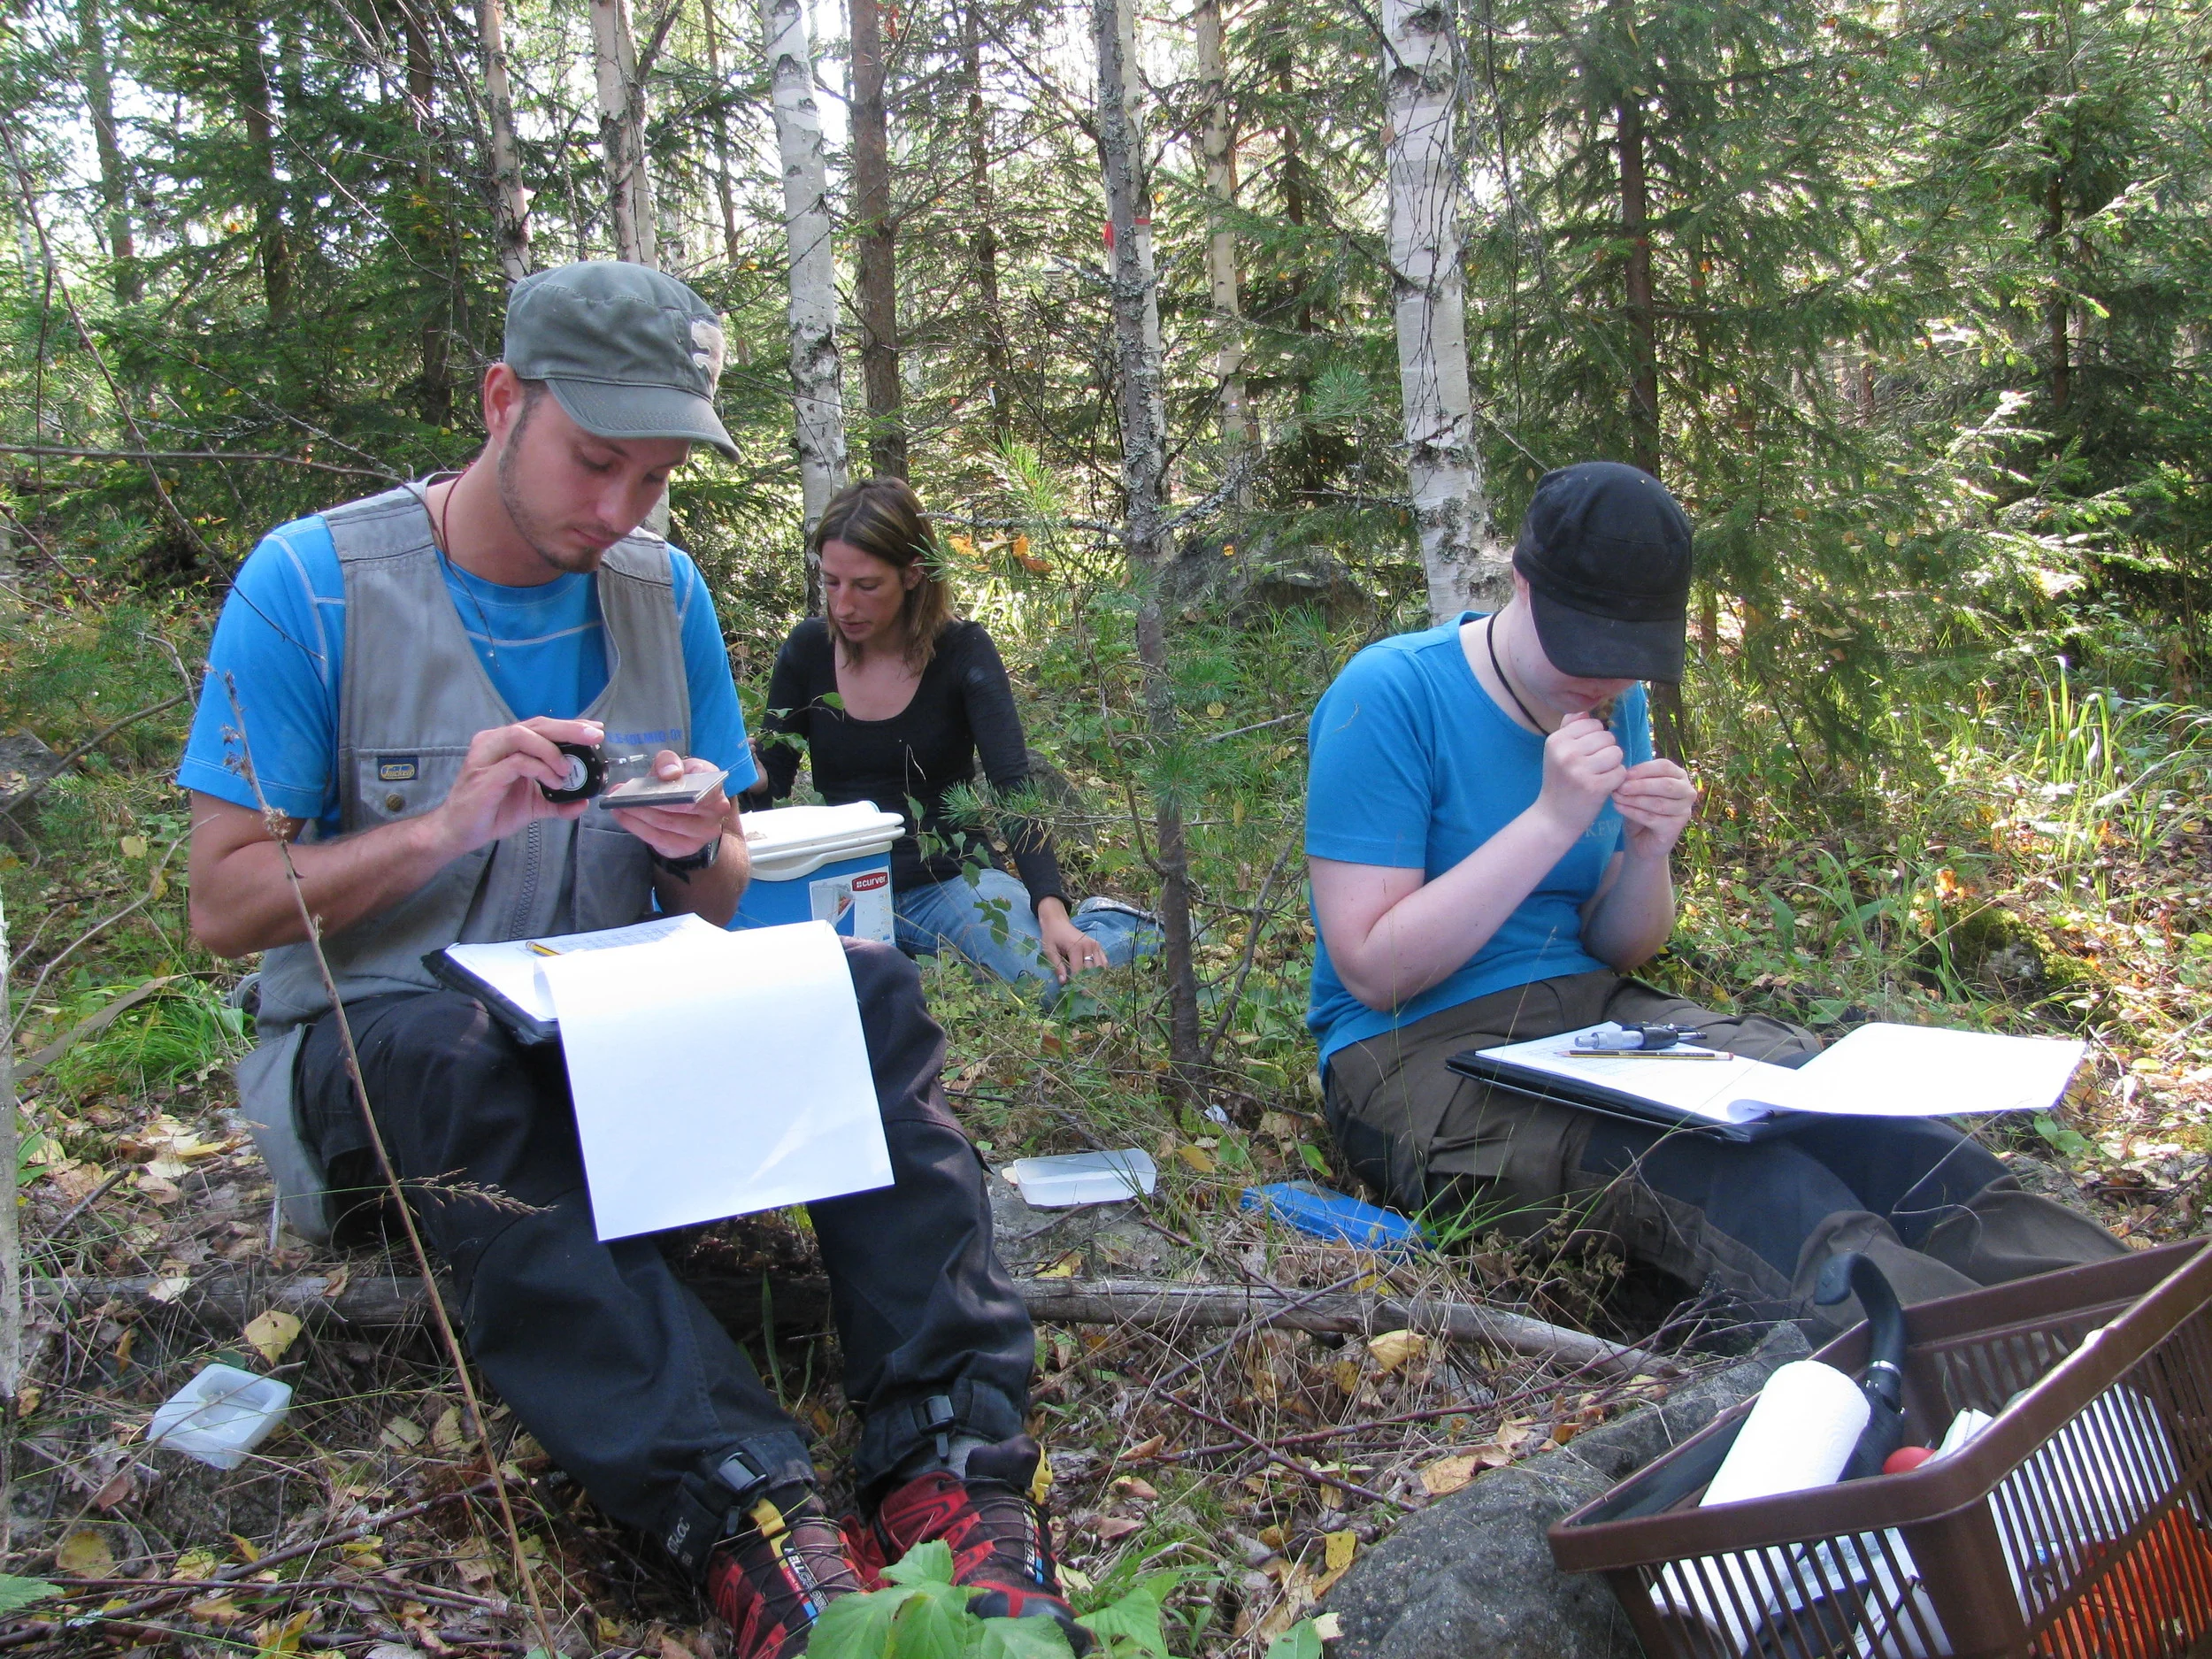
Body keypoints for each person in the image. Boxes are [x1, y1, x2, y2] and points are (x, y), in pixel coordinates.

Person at [183, 264, 1083, 1659]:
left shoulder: (661, 593)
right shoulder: (313, 586)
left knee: (866, 989)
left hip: (610, 1035)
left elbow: (721, 892)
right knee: (445, 1056)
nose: (618, 508)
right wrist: (442, 824)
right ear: (502, 402)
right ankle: (743, 1504)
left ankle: (948, 1454)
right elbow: (227, 905)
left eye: (653, 474)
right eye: (594, 459)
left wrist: (693, 845)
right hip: (381, 1049)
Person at [1305, 460, 2124, 1329]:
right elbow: (1374, 971)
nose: (1603, 680)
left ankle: (2140, 1322)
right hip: (1410, 1059)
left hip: (1588, 1023)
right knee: (1754, 1189)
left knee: (1882, 1134)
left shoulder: (1605, 697)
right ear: (1520, 579)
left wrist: (1648, 854)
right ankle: (1986, 1381)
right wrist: (1547, 823)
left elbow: (1619, 946)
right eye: (1583, 646)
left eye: (1627, 660)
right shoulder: (1390, 694)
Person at [750, 478, 1156, 999]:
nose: (844, 605)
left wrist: (1050, 907)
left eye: (866, 586)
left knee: (1041, 981)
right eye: (831, 583)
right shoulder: (809, 648)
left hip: (948, 880)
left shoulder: (963, 652)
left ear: (913, 574)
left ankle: (1125, 927)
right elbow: (773, 778)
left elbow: (1012, 785)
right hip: (840, 889)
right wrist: (734, 771)